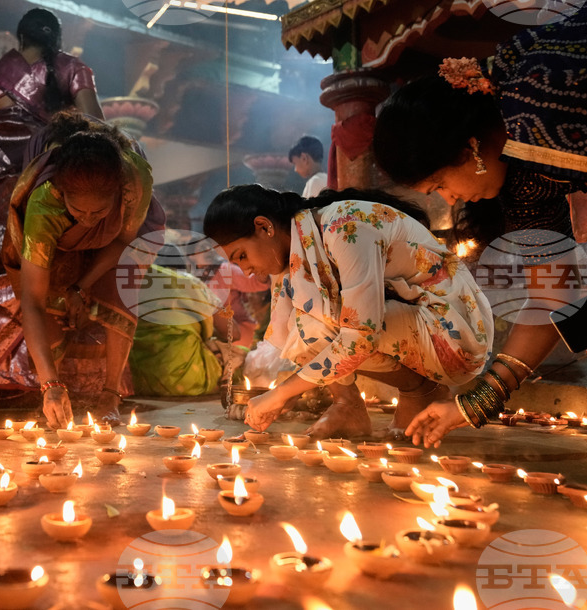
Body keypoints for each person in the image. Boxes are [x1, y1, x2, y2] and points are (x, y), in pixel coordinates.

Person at [372, 0, 587, 446]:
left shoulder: (546, 95)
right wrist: (473, 403)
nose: (449, 199)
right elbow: (548, 297)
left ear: (468, 148)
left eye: (439, 186)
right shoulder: (524, 171)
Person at [203, 185, 493, 438]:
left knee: (322, 322)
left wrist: (281, 394)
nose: (247, 271)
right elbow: (296, 337)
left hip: (456, 335)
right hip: (422, 325)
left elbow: (360, 336)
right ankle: (348, 407)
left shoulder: (345, 226)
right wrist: (288, 392)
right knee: (305, 322)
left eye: (242, 256)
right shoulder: (297, 251)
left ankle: (421, 391)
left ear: (265, 227)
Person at [0, 7, 104, 408]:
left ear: (19, 38)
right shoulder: (74, 68)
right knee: (53, 269)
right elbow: (97, 122)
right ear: (57, 38)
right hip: (47, 179)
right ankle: (58, 381)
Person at [2, 111, 165, 428]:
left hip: (116, 241)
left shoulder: (134, 180)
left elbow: (122, 242)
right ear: (62, 195)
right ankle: (52, 392)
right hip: (57, 242)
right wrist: (49, 385)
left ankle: (111, 394)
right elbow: (32, 301)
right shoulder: (44, 205)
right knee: (51, 299)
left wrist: (82, 287)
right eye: (79, 210)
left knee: (122, 285)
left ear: (118, 193)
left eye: (99, 210)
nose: (89, 219)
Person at [128, 246, 229, 397]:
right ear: (183, 267)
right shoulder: (190, 282)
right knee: (240, 357)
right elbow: (232, 332)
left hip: (139, 381)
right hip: (190, 379)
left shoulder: (136, 282)